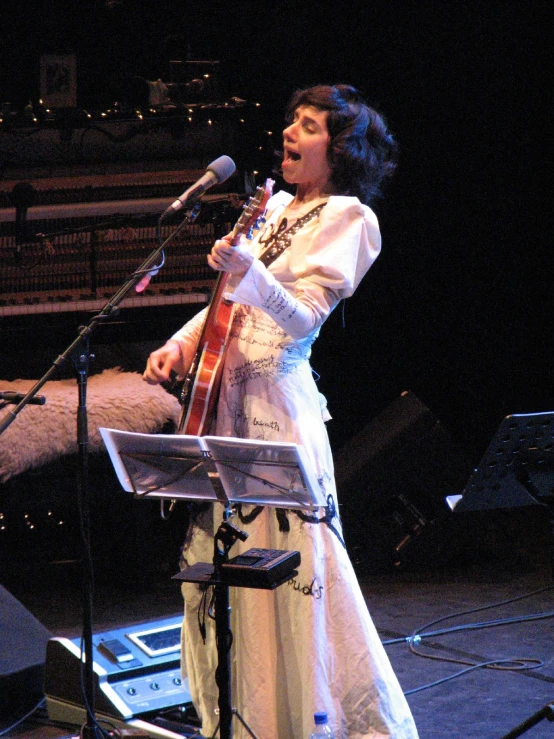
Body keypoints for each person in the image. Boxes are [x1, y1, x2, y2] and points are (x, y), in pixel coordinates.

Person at [143, 84, 419, 739]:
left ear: (341, 147)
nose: (290, 131)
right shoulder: (274, 205)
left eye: (309, 124)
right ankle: (250, 717)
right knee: (233, 571)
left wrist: (249, 272)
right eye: (291, 119)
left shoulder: (349, 218)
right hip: (226, 409)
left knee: (289, 572)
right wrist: (179, 344)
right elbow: (228, 303)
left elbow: (300, 320)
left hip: (277, 415)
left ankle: (302, 720)